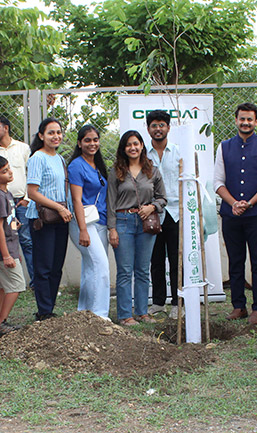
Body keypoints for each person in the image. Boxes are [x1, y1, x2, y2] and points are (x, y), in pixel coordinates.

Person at [214, 102, 257, 326]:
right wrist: (234, 203)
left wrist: (249, 203)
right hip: (231, 215)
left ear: (256, 121)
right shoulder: (224, 147)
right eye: (242, 118)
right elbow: (217, 182)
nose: (246, 123)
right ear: (236, 120)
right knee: (235, 261)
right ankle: (238, 306)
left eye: (250, 119)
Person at [108, 130, 167, 325]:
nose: (132, 148)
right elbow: (110, 202)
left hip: (146, 224)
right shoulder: (117, 171)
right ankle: (125, 315)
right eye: (128, 145)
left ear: (142, 146)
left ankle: (142, 312)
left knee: (142, 270)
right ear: (123, 149)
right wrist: (112, 228)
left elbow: (162, 198)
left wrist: (152, 207)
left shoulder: (152, 170)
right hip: (123, 222)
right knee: (125, 271)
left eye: (136, 144)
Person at [26, 117, 72, 321]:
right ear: (41, 135)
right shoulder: (38, 157)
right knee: (43, 267)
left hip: (61, 218)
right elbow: (32, 192)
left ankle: (50, 308)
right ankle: (44, 311)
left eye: (58, 132)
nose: (56, 136)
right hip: (43, 219)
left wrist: (64, 210)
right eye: (51, 132)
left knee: (56, 266)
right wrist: (58, 208)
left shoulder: (60, 159)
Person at [0, 115, 33, 288]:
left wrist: (27, 199)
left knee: (26, 240)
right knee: (4, 235)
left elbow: (31, 173)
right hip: (0, 205)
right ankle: (9, 274)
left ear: (6, 128)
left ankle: (34, 282)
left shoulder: (23, 148)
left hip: (20, 203)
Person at [67, 124, 111, 318]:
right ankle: (99, 315)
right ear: (79, 143)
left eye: (95, 140)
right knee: (101, 266)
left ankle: (84, 311)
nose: (92, 144)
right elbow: (77, 199)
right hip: (84, 223)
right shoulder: (76, 165)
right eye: (87, 140)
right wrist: (83, 229)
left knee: (90, 268)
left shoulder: (97, 165)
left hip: (100, 221)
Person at [0, 155, 27, 337]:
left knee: (1, 286)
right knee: (17, 285)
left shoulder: (7, 194)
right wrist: (6, 255)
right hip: (4, 250)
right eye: (4, 171)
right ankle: (1, 322)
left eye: (9, 168)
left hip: (10, 246)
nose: (9, 172)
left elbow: (8, 222)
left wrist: (15, 225)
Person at [146, 110, 181, 316]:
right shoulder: (143, 155)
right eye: (154, 125)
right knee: (156, 259)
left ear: (168, 127)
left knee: (176, 260)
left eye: (162, 125)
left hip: (176, 212)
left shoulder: (178, 152)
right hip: (153, 213)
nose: (158, 129)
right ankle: (158, 302)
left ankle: (177, 303)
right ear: (148, 129)